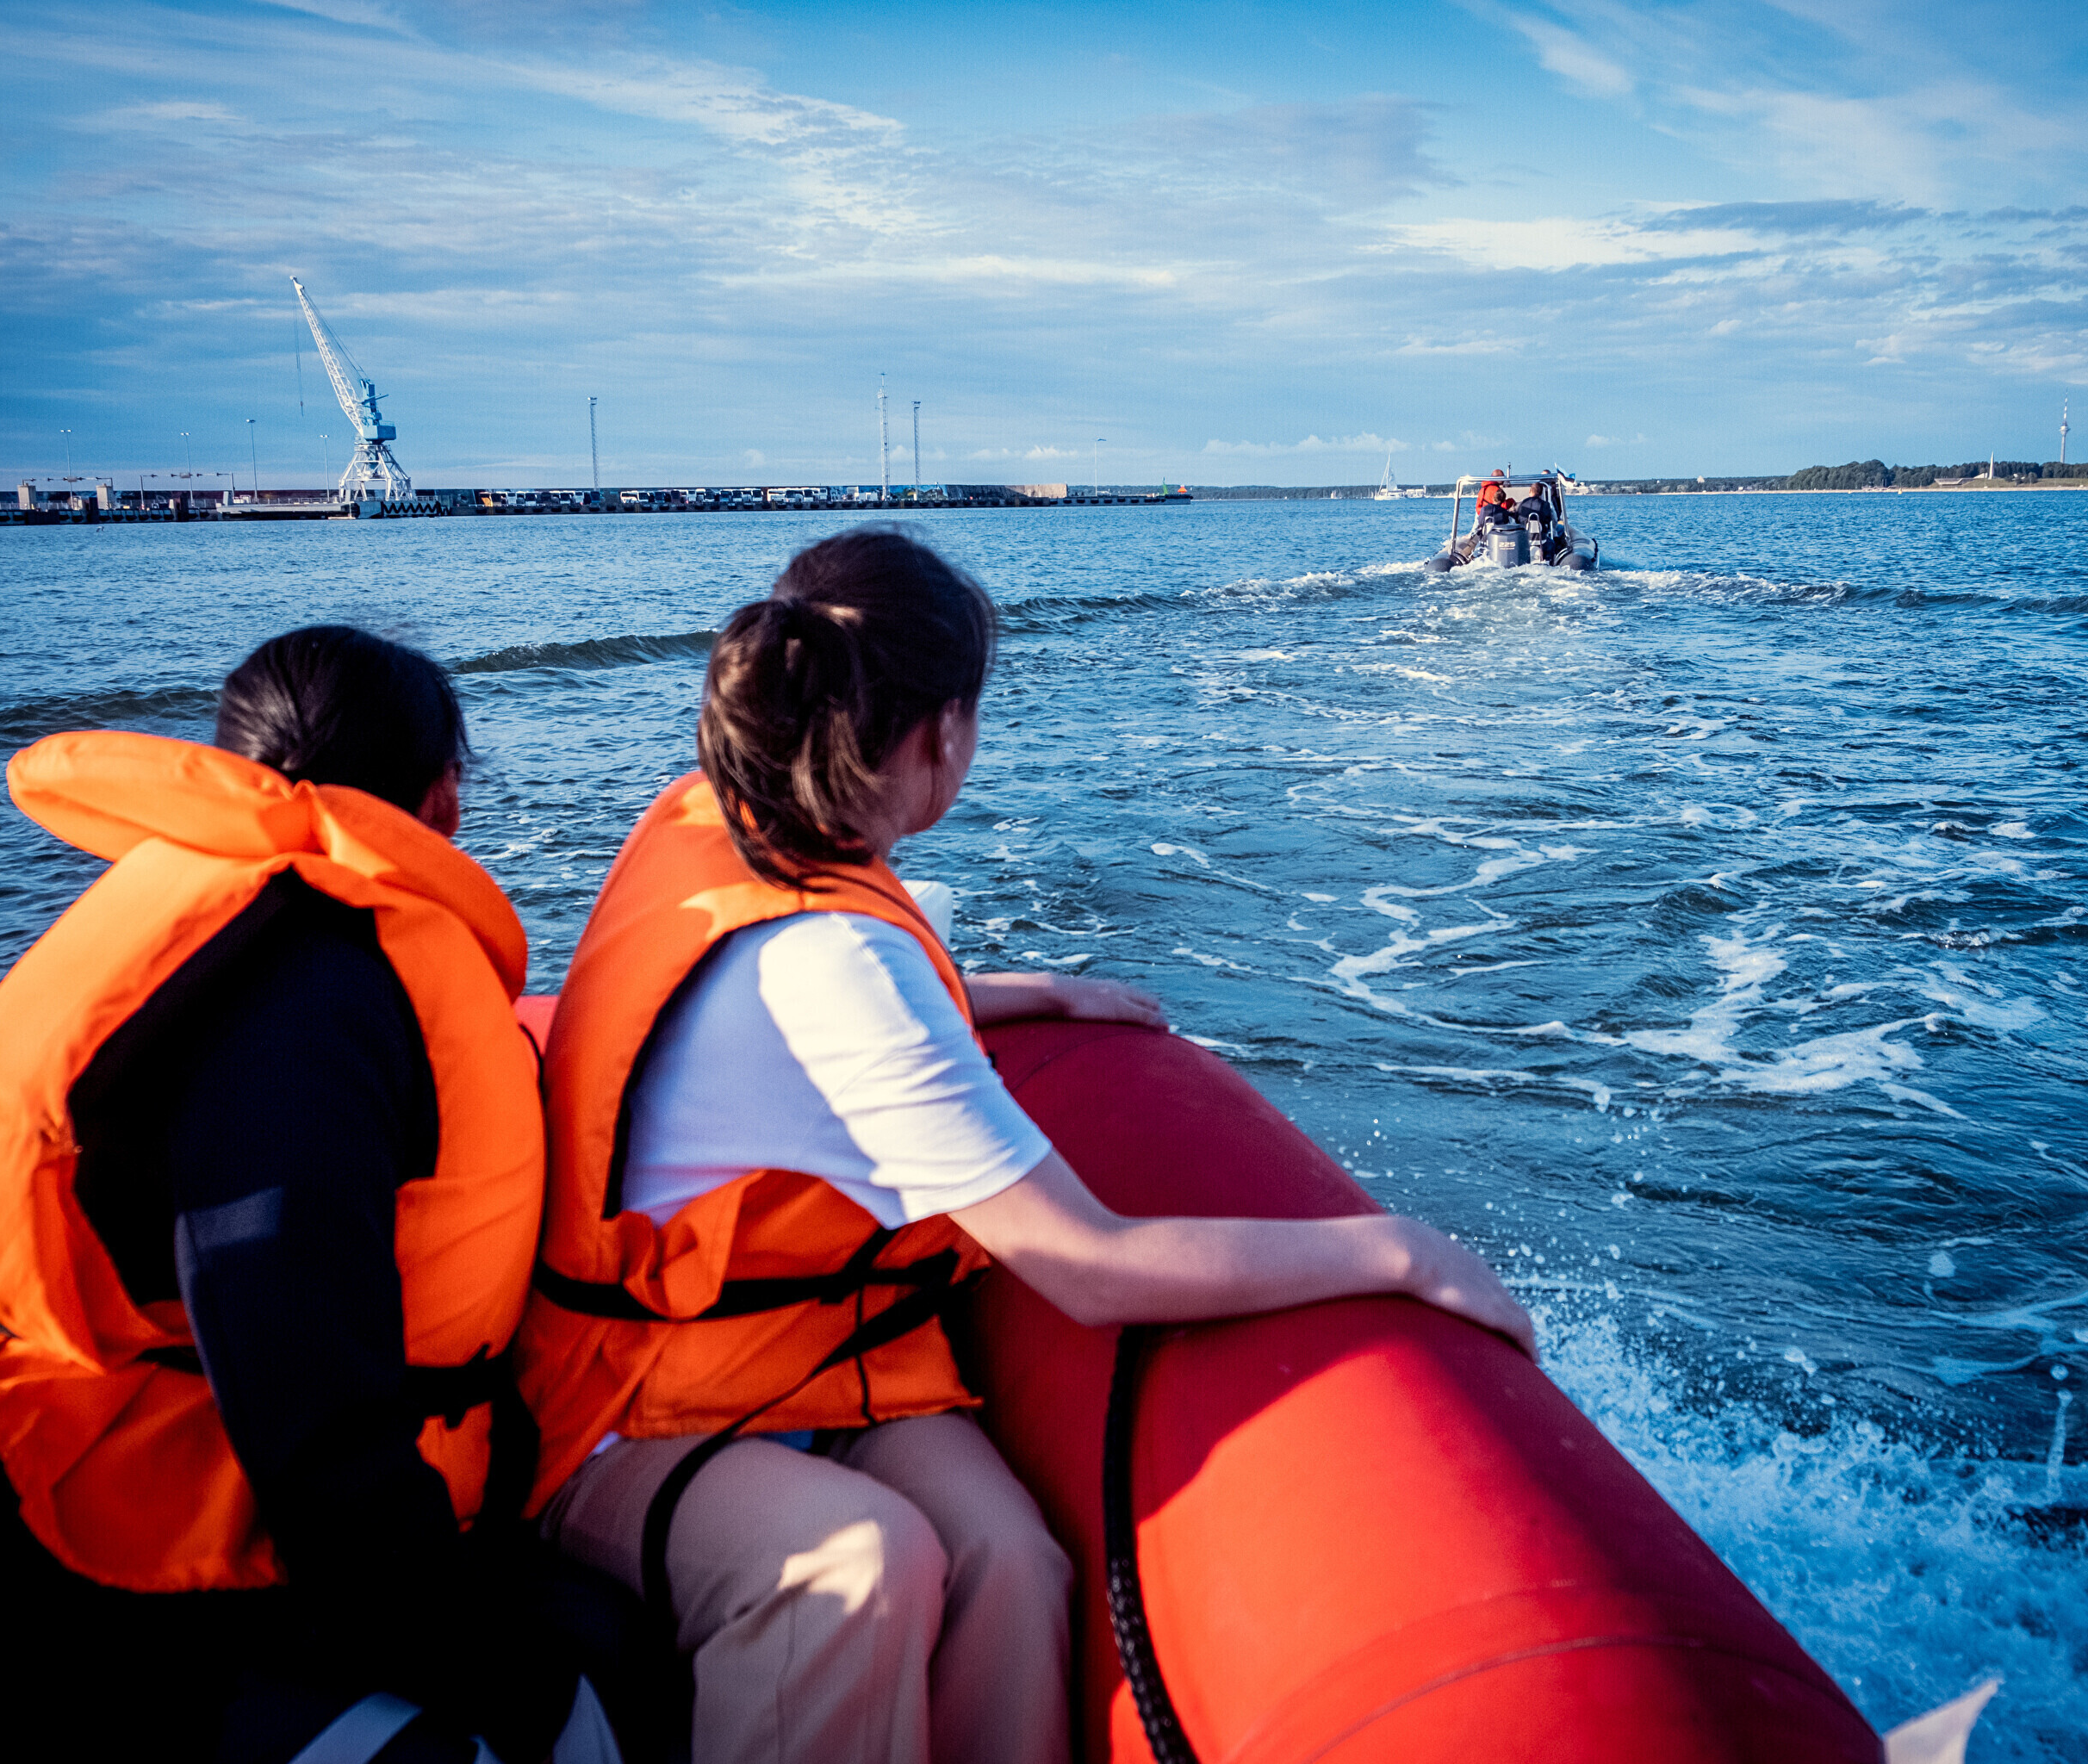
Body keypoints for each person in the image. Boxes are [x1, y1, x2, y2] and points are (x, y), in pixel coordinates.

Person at [519, 528, 1534, 1764]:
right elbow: (1089, 1265)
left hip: (789, 1363)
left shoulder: (720, 822)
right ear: (939, 734)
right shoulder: (840, 963)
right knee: (864, 1566)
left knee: (1010, 1561)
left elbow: (790, 1005)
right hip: (630, 1411)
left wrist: (1015, 991)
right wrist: (1401, 1254)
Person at [0, 628, 579, 1763]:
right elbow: (296, 1381)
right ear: (443, 798)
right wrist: (487, 1671)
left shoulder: (215, 925)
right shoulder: (322, 984)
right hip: (61, 1578)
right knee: (576, 1703)